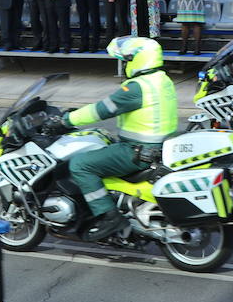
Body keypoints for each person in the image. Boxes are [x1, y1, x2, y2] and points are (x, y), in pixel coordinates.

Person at [54, 37, 178, 240]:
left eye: (128, 60)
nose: (126, 64)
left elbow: (101, 110)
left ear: (138, 59)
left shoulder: (137, 87)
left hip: (136, 151)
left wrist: (65, 120)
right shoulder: (162, 80)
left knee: (80, 165)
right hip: (158, 148)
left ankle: (108, 216)